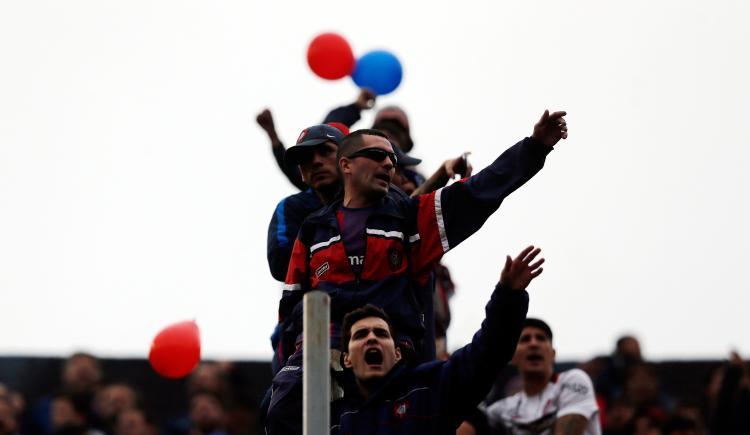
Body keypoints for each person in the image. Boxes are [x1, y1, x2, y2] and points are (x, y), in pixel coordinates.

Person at [266, 110, 568, 434]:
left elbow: (480, 190)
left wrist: (535, 147)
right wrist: (289, 364)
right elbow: (290, 310)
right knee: (280, 406)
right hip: (323, 349)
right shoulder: (312, 229)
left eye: (392, 160)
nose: (388, 164)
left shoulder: (412, 218)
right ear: (346, 164)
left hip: (395, 354)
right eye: (377, 155)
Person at [330, 246, 543, 434]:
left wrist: (508, 296)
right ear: (346, 359)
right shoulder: (332, 420)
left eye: (381, 333)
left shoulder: (431, 388)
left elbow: (488, 353)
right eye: (361, 335)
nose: (371, 339)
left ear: (396, 354)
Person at [484, 318, 602, 435]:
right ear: (513, 357)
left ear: (553, 354)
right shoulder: (501, 410)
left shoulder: (573, 381)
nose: (533, 344)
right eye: (525, 339)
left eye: (541, 338)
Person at [257, 90, 374, 190]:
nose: (315, 161)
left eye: (326, 151)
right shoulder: (292, 210)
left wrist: (356, 107)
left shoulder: (378, 196)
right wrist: (272, 135)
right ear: (303, 175)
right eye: (305, 158)